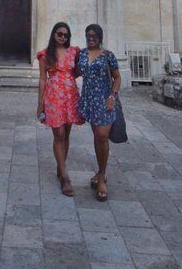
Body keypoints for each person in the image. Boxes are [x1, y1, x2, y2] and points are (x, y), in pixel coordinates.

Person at [36, 22, 84, 197]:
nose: (63, 37)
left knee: (67, 133)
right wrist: (40, 103)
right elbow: (42, 79)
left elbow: (79, 71)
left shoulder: (74, 52)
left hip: (71, 94)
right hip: (54, 96)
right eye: (59, 34)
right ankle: (65, 177)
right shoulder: (45, 54)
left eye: (66, 35)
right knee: (59, 134)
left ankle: (60, 165)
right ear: (53, 34)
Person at [75, 23, 121, 202]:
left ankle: (101, 178)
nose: (91, 38)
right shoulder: (83, 54)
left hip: (104, 100)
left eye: (94, 35)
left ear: (100, 37)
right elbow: (75, 72)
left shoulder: (108, 55)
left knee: (102, 136)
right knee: (97, 136)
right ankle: (100, 170)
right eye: (88, 35)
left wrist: (112, 96)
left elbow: (117, 77)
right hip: (88, 100)